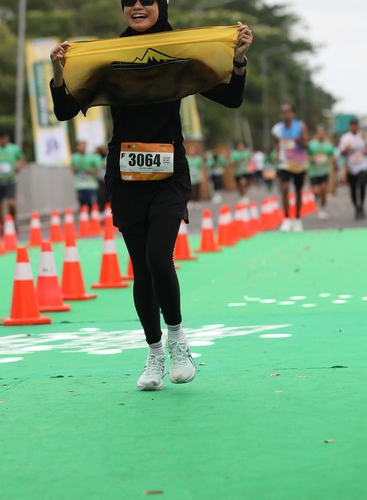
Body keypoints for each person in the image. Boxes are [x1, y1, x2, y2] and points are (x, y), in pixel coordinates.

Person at [50, 0, 252, 391]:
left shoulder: (179, 51)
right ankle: (154, 352)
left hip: (169, 172)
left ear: (162, 5)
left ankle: (177, 340)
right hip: (125, 174)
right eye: (130, 1)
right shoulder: (111, 56)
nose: (138, 6)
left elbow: (231, 98)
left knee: (159, 257)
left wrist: (239, 58)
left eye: (147, 0)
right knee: (141, 269)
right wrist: (60, 71)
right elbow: (64, 110)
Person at [272, 103, 309, 232]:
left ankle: (297, 219)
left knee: (298, 191)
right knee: (284, 189)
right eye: (283, 112)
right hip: (284, 163)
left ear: (292, 113)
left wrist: (299, 141)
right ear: (281, 114)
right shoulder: (277, 129)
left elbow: (306, 144)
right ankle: (287, 219)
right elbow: (277, 143)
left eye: (288, 111)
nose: (286, 114)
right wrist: (277, 154)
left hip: (298, 162)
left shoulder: (300, 126)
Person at [0, 130, 25, 228]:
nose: (2, 140)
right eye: (0, 139)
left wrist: (18, 166)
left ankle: (13, 221)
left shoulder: (14, 149)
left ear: (7, 138)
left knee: (11, 203)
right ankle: (2, 226)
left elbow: (21, 159)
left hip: (10, 180)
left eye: (4, 138)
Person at [338, 118, 367, 220]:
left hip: (362, 166)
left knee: (362, 186)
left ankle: (361, 206)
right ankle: (357, 208)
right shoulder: (345, 138)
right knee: (353, 189)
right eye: (352, 125)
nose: (354, 127)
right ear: (350, 126)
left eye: (355, 125)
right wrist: (346, 149)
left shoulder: (363, 136)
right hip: (351, 167)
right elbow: (341, 153)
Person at [307, 125, 335, 220]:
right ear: (316, 134)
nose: (321, 135)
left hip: (324, 171)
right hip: (313, 172)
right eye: (319, 133)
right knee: (316, 191)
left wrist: (330, 160)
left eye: (323, 133)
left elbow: (332, 157)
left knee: (323, 190)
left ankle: (322, 209)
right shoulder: (311, 145)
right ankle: (317, 200)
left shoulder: (329, 145)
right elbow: (306, 156)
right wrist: (314, 159)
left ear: (325, 134)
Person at [70, 140, 100, 211]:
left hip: (90, 185)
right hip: (79, 185)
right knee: (82, 204)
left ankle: (93, 216)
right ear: (77, 147)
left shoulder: (92, 157)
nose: (81, 148)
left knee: (91, 204)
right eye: (80, 146)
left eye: (83, 146)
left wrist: (89, 171)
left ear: (85, 147)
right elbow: (72, 170)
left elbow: (97, 171)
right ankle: (84, 216)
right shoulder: (75, 157)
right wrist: (76, 169)